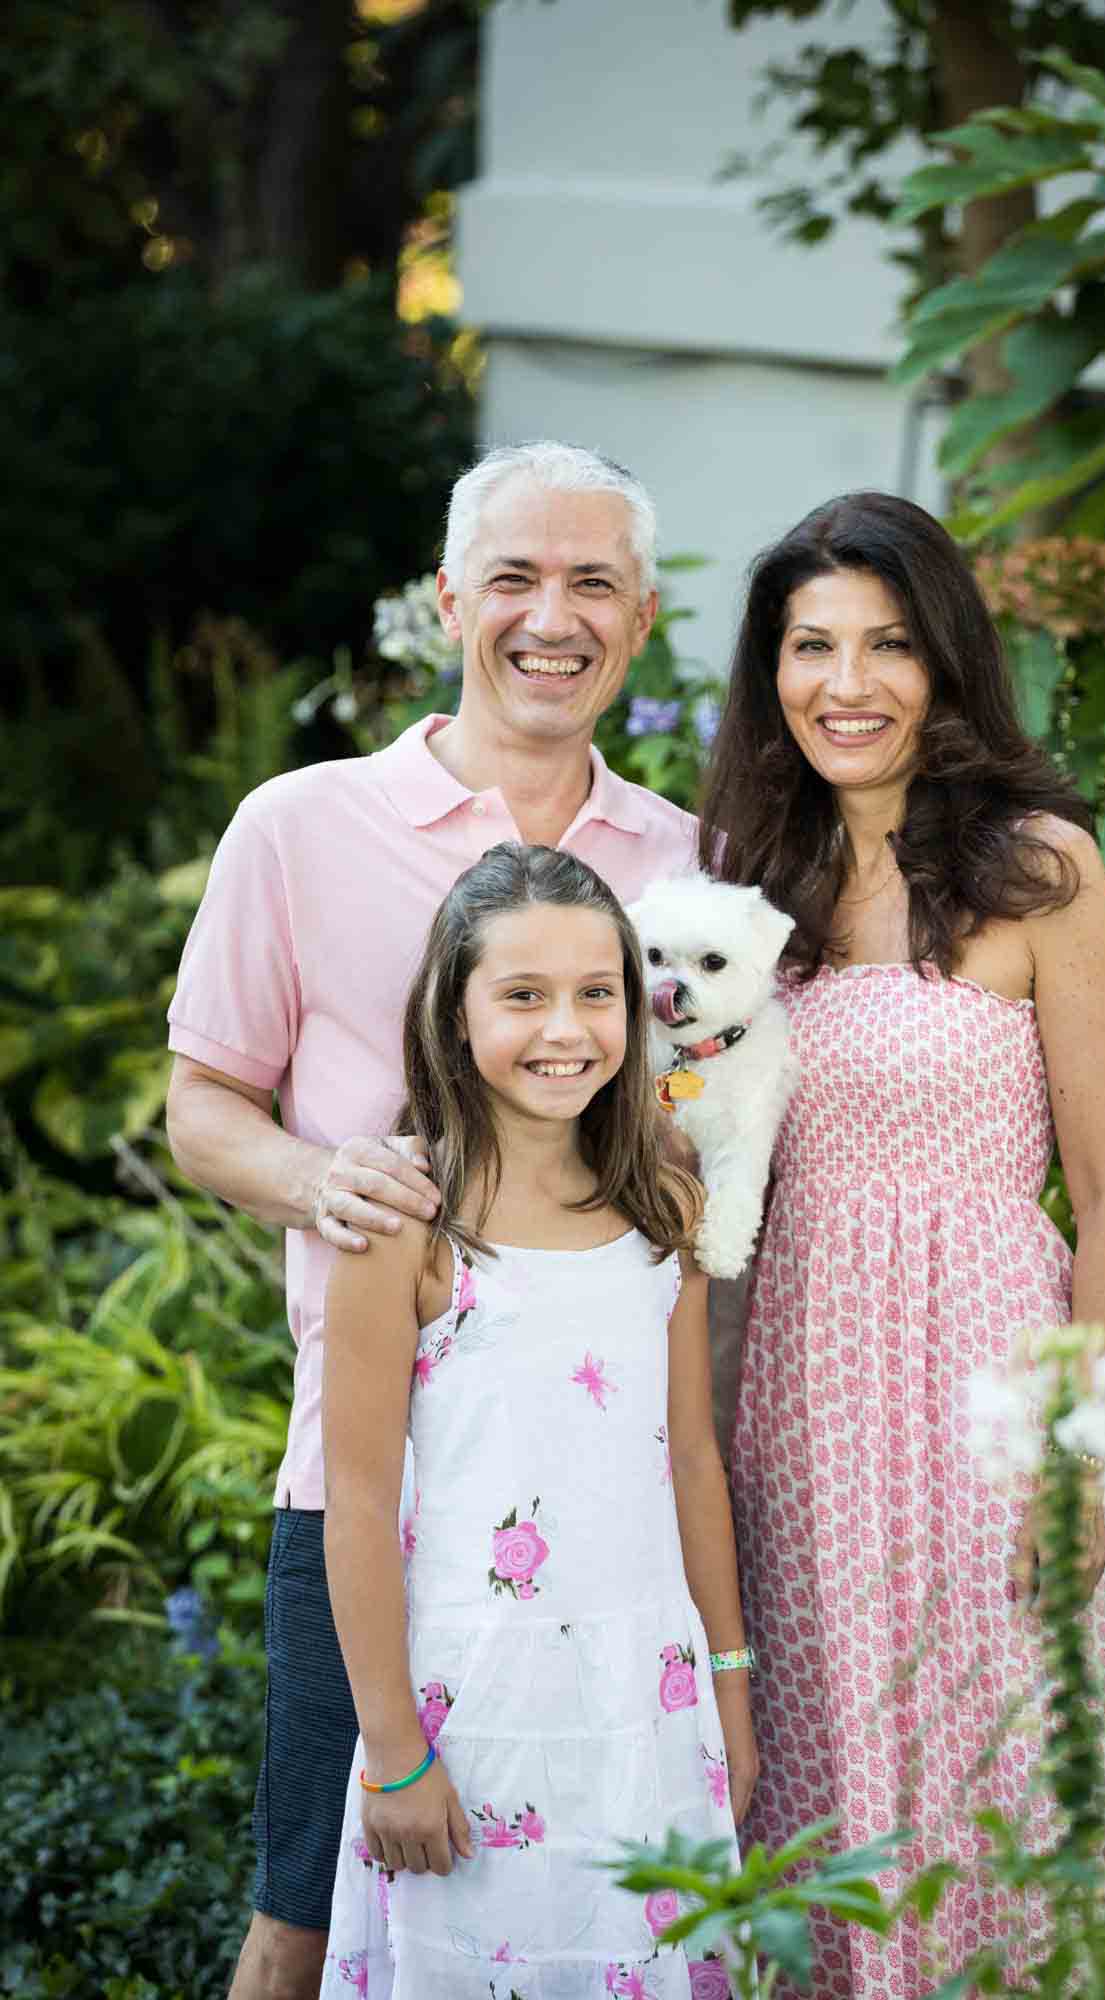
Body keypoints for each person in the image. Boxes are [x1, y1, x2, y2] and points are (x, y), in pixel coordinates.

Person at [165, 442, 699, 2000]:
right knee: (308, 1915)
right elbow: (203, 1103)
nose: (554, 616)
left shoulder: (687, 862)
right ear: (447, 600)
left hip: (607, 1508)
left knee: (594, 1922)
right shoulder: (298, 824)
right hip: (371, 1488)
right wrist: (315, 1180)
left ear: (643, 618)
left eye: (593, 581)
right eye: (516, 578)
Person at [698, 492, 1105, 2000]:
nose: (847, 682)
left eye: (887, 645)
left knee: (1007, 1783)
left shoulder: (1041, 870)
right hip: (800, 1410)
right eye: (811, 645)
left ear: (946, 663)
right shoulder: (744, 886)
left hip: (989, 1405)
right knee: (829, 1800)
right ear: (770, 671)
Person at [318, 840, 755, 1996]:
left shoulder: (662, 1197)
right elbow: (356, 1500)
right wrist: (394, 1753)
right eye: (522, 994)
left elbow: (692, 1457)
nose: (566, 1027)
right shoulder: (402, 1217)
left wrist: (730, 1682)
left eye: (595, 993)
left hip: (647, 1706)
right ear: (453, 1014)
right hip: (476, 1711)